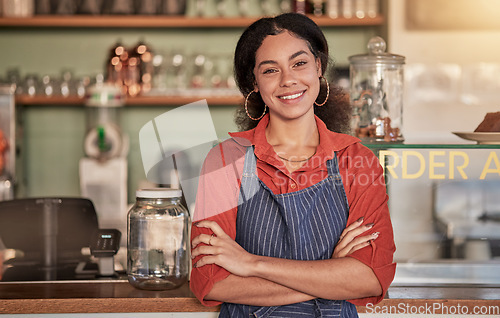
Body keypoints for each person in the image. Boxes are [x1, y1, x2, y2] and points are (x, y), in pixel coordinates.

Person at [190, 12, 396, 317]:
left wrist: (250, 264)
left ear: (319, 67)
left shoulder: (357, 161)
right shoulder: (226, 160)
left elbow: (371, 278)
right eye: (270, 70)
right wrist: (333, 275)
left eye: (299, 63)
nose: (288, 80)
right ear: (254, 83)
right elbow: (212, 282)